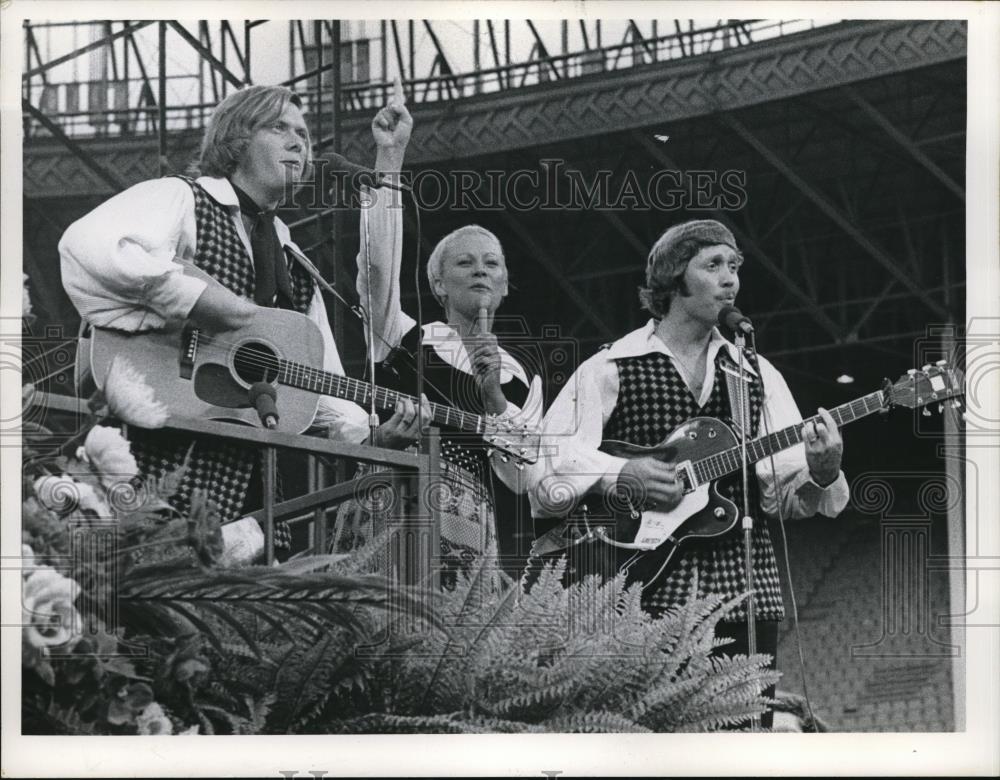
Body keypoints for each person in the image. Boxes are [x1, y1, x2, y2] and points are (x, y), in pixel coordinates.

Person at [59, 85, 423, 553]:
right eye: (280, 128)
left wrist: (370, 436)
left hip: (252, 501)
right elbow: (89, 246)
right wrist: (201, 299)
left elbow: (320, 383)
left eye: (305, 135)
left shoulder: (293, 259)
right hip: (155, 467)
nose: (299, 143)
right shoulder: (181, 197)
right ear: (236, 139)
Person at [528, 219, 848, 727]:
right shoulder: (610, 368)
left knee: (743, 737)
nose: (730, 279)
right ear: (675, 279)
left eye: (735, 266)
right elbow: (544, 472)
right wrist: (620, 475)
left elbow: (784, 496)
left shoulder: (756, 375)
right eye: (713, 265)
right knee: (649, 734)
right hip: (638, 586)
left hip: (746, 586)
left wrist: (823, 472)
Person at [336, 82, 541, 583]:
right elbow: (379, 269)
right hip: (386, 507)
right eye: (464, 262)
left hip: (468, 531)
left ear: (506, 282)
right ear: (437, 283)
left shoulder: (523, 374)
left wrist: (493, 395)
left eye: (492, 263)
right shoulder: (403, 336)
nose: (480, 271)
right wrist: (391, 158)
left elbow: (524, 476)